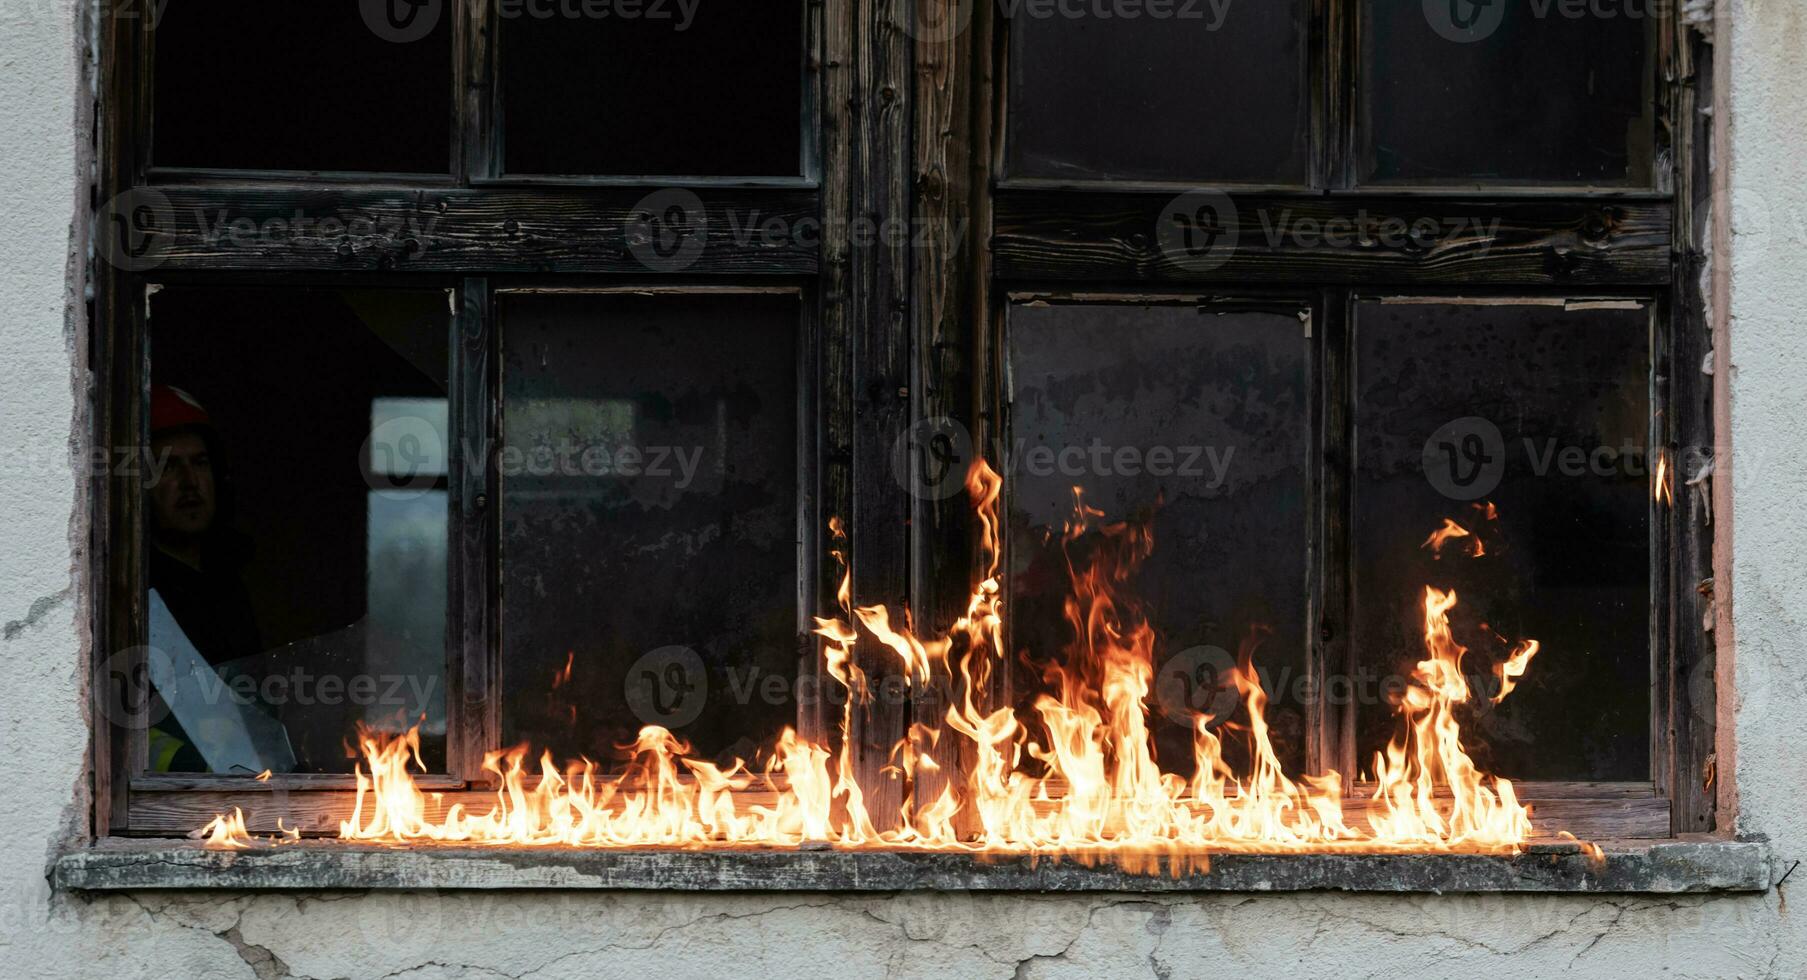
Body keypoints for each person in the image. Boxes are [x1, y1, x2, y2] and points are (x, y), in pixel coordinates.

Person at [145, 384, 263, 771]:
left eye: (199, 463)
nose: (189, 483)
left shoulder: (231, 583)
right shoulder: (131, 594)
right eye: (167, 466)